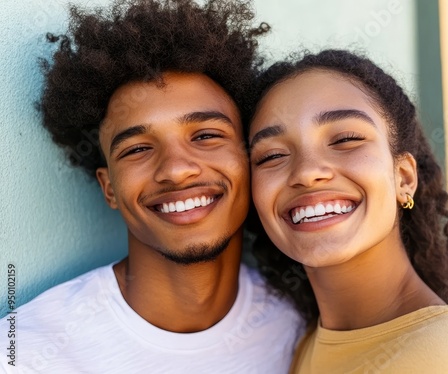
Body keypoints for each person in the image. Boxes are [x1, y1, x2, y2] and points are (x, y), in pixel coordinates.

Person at [0, 1, 304, 373]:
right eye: (138, 148)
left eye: (207, 135)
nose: (176, 170)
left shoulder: (300, 321)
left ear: (249, 157)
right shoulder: (24, 353)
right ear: (109, 187)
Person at [246, 49, 448, 373]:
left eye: (346, 139)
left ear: (404, 178)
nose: (307, 172)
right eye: (272, 156)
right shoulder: (306, 343)